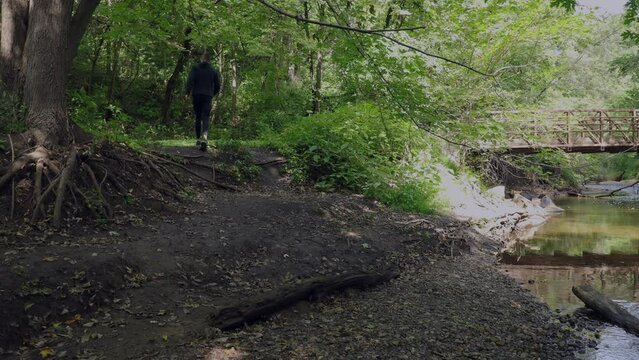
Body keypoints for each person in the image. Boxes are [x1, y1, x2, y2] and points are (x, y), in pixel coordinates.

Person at [185, 52, 221, 151]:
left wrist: (188, 93)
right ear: (209, 60)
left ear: (201, 59)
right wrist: (212, 93)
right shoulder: (213, 70)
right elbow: (218, 85)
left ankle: (198, 139)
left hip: (196, 95)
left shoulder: (195, 68)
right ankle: (204, 138)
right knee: (205, 116)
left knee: (198, 116)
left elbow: (190, 81)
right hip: (207, 96)